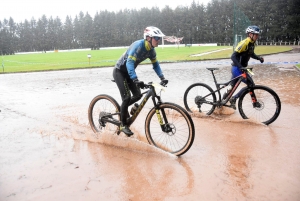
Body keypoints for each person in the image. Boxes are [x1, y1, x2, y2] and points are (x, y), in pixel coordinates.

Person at [113, 26, 168, 136]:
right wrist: (135, 79)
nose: (158, 40)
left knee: (138, 95)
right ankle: (122, 124)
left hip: (129, 73)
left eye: (159, 38)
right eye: (156, 38)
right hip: (120, 72)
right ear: (148, 38)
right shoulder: (138, 46)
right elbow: (129, 63)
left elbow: (155, 65)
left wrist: (162, 77)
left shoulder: (151, 51)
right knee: (127, 97)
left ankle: (123, 109)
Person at [224, 25, 264, 110]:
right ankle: (233, 99)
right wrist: (241, 67)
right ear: (250, 34)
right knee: (251, 84)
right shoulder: (245, 43)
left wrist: (259, 58)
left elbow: (251, 53)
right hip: (237, 68)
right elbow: (233, 56)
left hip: (241, 68)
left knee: (231, 88)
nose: (257, 36)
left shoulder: (252, 43)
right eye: (256, 34)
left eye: (258, 35)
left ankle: (221, 103)